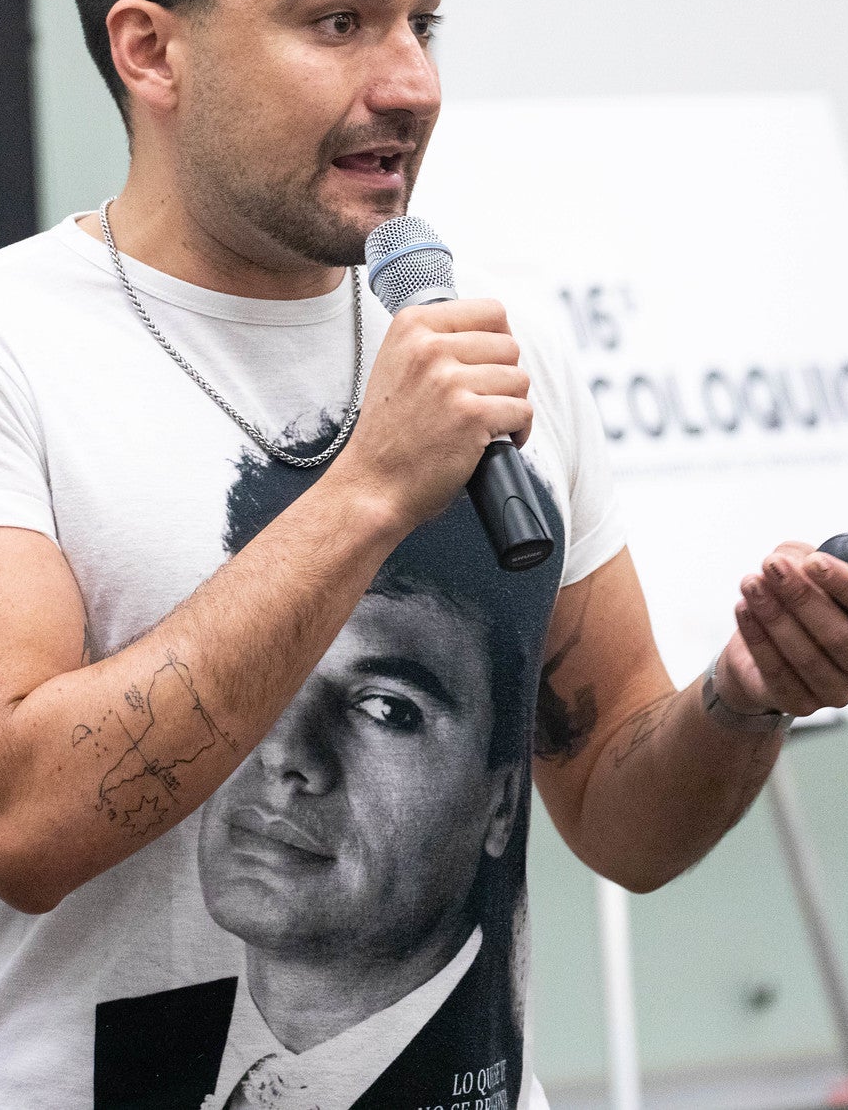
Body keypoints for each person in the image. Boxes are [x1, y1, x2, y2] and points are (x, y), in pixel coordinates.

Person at [0, 0, 848, 1110]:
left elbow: (619, 810)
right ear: (152, 53)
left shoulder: (500, 343)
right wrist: (373, 487)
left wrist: (745, 694)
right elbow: (22, 824)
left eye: (423, 22)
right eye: (339, 23)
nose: (412, 84)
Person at [91, 434, 539, 1110]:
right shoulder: (133, 1049)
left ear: (501, 805)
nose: (284, 752)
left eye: (386, 708)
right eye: (255, 673)